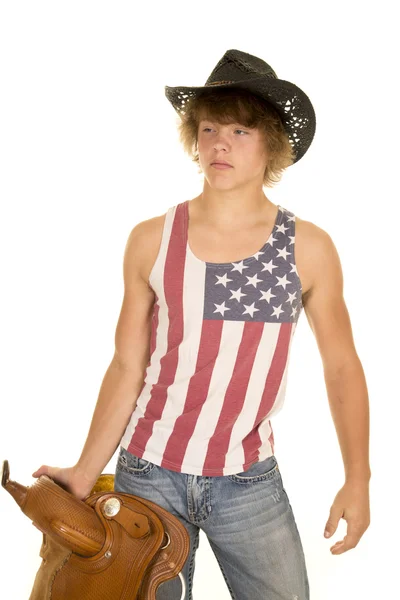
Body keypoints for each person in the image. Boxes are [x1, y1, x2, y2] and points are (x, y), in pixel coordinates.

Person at [32, 49, 371, 599]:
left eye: (240, 130)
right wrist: (83, 468)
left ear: (273, 145)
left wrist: (359, 478)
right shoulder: (151, 240)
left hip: (249, 481)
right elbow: (126, 366)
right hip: (148, 476)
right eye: (209, 127)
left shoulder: (307, 249)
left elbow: (341, 366)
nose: (219, 143)